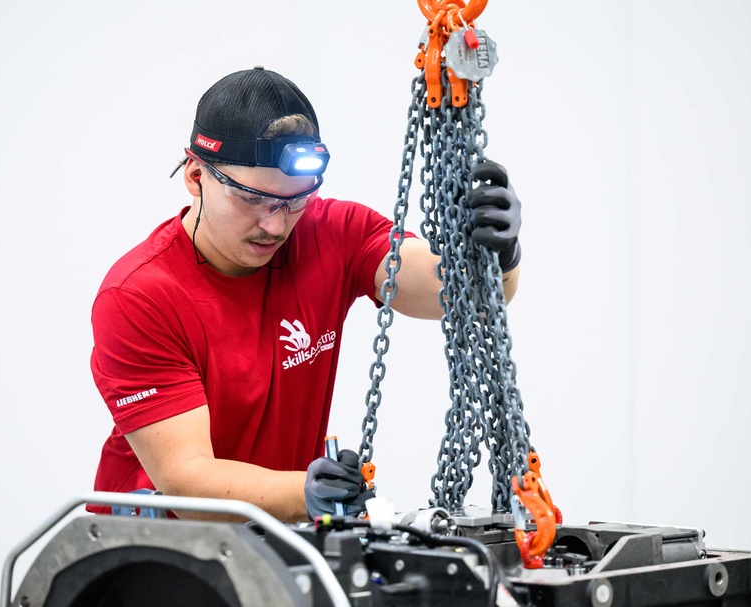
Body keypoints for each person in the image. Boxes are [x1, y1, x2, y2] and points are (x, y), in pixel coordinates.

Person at [89, 67, 522, 522]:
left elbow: (462, 299)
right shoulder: (138, 296)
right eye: (254, 200)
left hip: (272, 539)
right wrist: (306, 492)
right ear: (196, 176)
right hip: (149, 553)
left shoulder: (333, 234)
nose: (275, 225)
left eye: (294, 200)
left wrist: (499, 252)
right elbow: (187, 478)